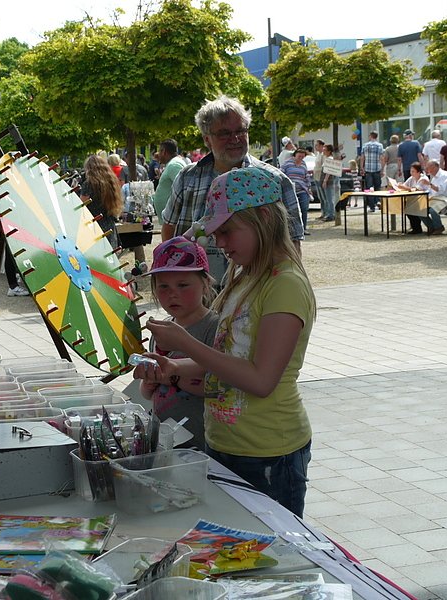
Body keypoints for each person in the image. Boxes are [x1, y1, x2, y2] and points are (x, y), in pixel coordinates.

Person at [135, 166, 316, 517]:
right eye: (215, 233)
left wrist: (186, 343)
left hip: (268, 451)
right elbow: (229, 357)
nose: (219, 243)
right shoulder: (246, 276)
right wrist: (173, 368)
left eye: (227, 231)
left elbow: (261, 380)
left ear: (264, 218)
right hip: (225, 443)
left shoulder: (285, 284)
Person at [160, 95, 304, 283]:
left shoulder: (275, 181)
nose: (235, 139)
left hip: (255, 290)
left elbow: (292, 244)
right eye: (224, 133)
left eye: (240, 130)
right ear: (207, 139)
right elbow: (169, 227)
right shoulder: (187, 177)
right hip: (198, 291)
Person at [139, 237, 218, 450]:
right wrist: (148, 382)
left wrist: (172, 376)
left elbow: (219, 387)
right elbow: (148, 393)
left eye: (183, 285)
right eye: (163, 286)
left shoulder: (214, 327)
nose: (173, 293)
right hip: (165, 439)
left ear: (205, 284)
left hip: (203, 441)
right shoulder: (162, 330)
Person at [400, 159, 447, 235]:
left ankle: (439, 227)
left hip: (446, 198)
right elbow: (431, 191)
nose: (426, 169)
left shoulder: (444, 175)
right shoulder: (433, 176)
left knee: (433, 209)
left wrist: (429, 184)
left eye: (428, 167)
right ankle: (431, 227)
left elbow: (441, 190)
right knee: (420, 209)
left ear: (434, 167)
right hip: (436, 198)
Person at [79, 154, 124, 249]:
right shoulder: (111, 182)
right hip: (109, 225)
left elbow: (81, 205)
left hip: (93, 227)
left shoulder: (89, 184)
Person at [152, 139, 187, 218]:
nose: (158, 154)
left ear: (164, 151)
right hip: (169, 218)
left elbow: (183, 189)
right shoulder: (173, 164)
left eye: (159, 151)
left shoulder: (174, 165)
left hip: (172, 219)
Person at [280, 147, 312, 234]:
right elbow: (281, 173)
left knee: (304, 208)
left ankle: (303, 228)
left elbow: (306, 176)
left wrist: (309, 187)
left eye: (302, 157)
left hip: (302, 189)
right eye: (299, 156)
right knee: (292, 210)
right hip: (291, 190)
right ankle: (292, 229)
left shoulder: (303, 164)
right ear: (295, 155)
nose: (300, 158)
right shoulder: (287, 163)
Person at [359, 131, 385, 210]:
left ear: (370, 136)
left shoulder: (365, 145)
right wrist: (382, 169)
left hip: (368, 169)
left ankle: (371, 206)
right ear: (376, 136)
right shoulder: (380, 145)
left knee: (369, 188)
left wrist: (361, 167)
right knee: (377, 187)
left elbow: (362, 157)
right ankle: (377, 202)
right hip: (377, 169)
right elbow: (382, 158)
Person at [320, 143, 339, 221]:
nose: (323, 151)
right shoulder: (327, 158)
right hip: (328, 181)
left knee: (329, 199)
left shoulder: (329, 159)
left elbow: (328, 171)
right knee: (328, 198)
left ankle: (331, 215)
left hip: (329, 181)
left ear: (329, 151)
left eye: (325, 150)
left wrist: (325, 180)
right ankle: (329, 214)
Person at [312, 139, 326, 219]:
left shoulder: (324, 154)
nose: (315, 147)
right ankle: (323, 213)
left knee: (324, 197)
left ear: (321, 145)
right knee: (320, 197)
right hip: (316, 177)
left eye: (317, 145)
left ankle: (326, 213)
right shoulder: (318, 154)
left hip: (321, 177)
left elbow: (324, 167)